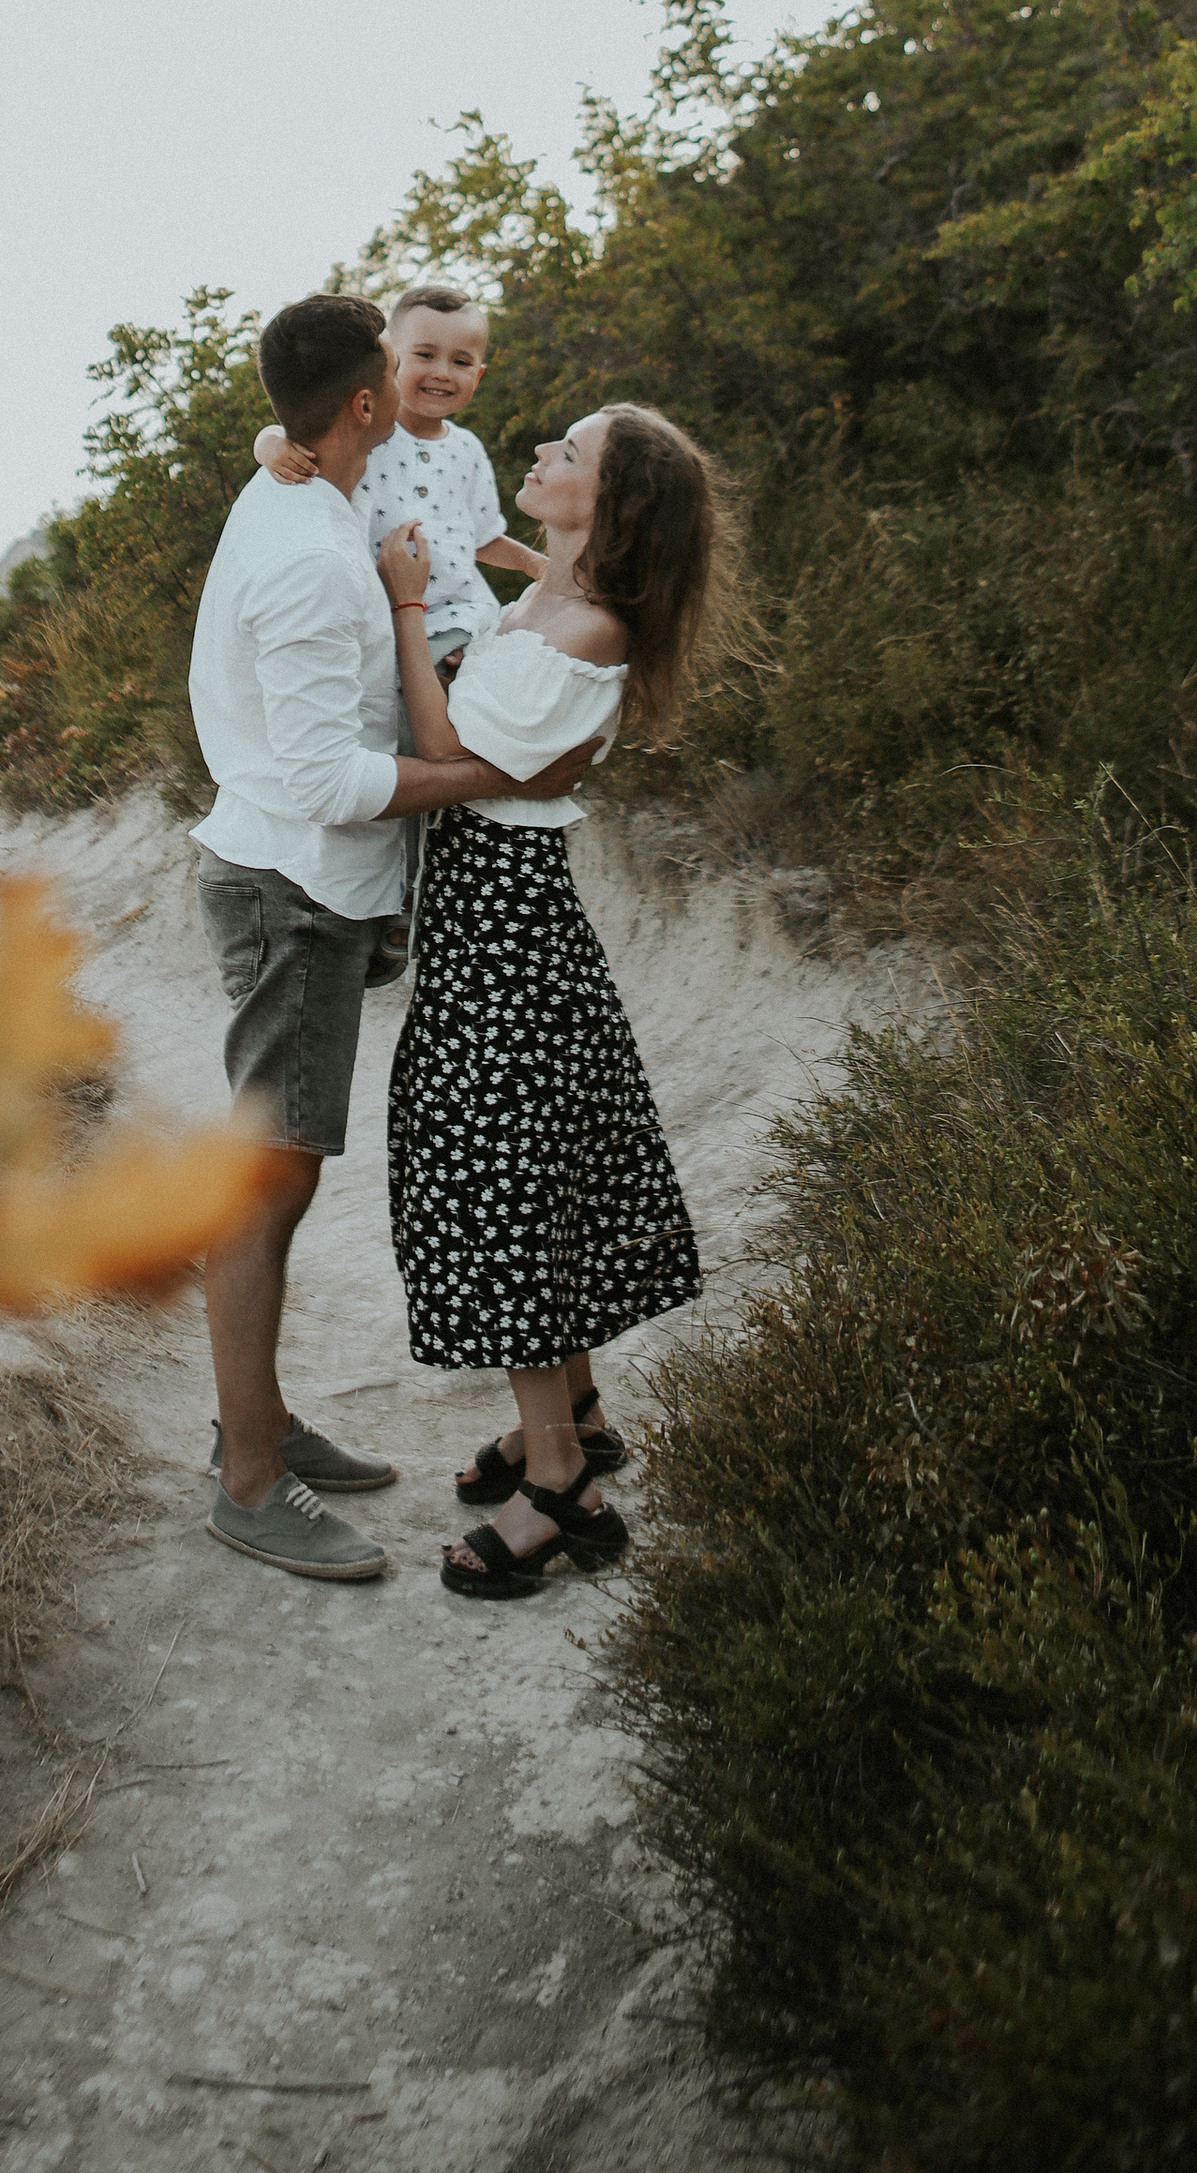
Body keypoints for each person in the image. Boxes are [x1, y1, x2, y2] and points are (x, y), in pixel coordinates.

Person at [188, 292, 607, 1583]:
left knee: (286, 1170)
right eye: (399, 373)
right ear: (366, 404)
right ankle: (249, 1480)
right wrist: (499, 779)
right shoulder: (316, 552)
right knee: (271, 1180)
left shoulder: (305, 495)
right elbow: (330, 780)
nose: (427, 389)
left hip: (310, 883)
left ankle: (258, 1427)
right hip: (295, 888)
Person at [377, 402, 722, 1600]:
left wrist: (410, 600)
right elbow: (529, 591)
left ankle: (560, 1483)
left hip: (504, 925)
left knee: (501, 1181)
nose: (536, 456)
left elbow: (440, 743)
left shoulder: (582, 631)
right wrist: (505, 557)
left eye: (566, 455)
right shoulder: (556, 598)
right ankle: (565, 1415)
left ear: (612, 502)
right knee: (530, 1165)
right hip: (496, 915)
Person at [252, 282, 541, 673]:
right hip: (386, 614)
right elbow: (286, 429)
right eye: (425, 355)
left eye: (461, 362)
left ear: (480, 374)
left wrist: (531, 562)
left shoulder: (467, 449)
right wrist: (269, 445)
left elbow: (481, 537)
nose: (442, 373)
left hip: (462, 614)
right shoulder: (371, 430)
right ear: (392, 362)